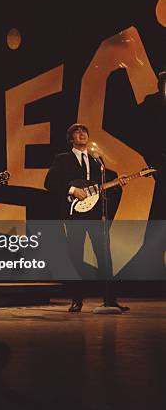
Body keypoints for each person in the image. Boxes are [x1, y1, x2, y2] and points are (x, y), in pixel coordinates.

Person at [44, 123, 129, 312]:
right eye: (77, 131)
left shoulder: (97, 161)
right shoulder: (62, 159)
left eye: (84, 131)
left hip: (96, 215)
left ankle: (110, 300)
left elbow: (103, 186)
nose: (82, 133)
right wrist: (73, 190)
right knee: (76, 256)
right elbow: (49, 182)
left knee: (104, 256)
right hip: (75, 215)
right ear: (71, 139)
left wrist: (117, 182)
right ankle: (77, 300)